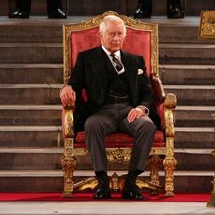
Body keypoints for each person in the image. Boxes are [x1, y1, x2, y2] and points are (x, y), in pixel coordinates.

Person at [59, 14, 158, 199]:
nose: (116, 38)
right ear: (101, 35)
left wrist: (141, 109)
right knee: (92, 125)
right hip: (101, 112)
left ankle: (131, 181)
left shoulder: (136, 61)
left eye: (120, 34)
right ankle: (102, 180)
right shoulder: (87, 58)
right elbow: (73, 83)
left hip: (130, 110)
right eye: (112, 34)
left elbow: (147, 94)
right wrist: (66, 88)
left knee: (148, 126)